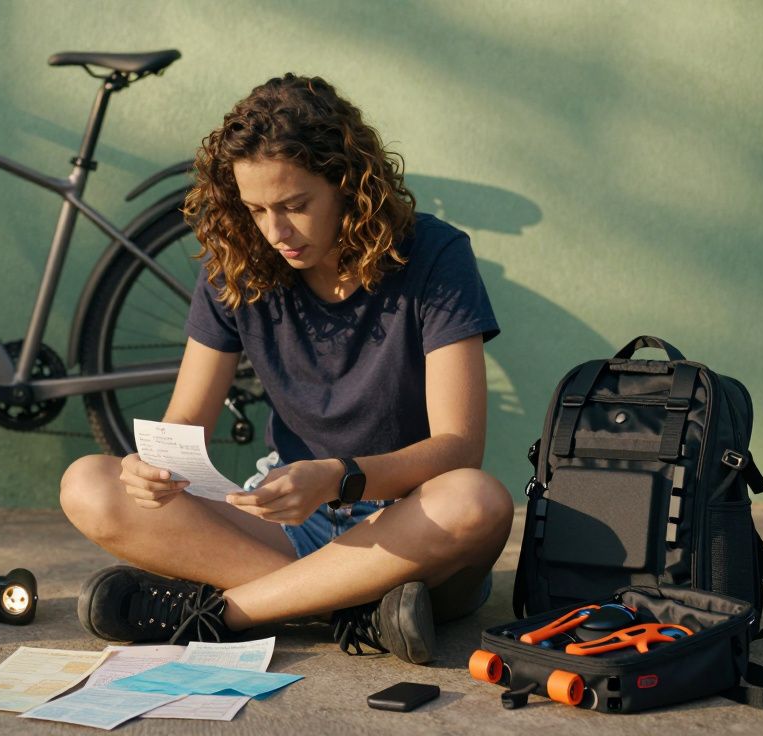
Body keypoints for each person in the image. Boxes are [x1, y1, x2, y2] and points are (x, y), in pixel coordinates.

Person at [59, 73, 513, 664]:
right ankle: (357, 611)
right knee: (91, 485)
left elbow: (459, 448)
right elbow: (186, 418)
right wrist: (153, 467)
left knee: (476, 501)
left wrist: (335, 476)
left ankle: (225, 613)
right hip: (289, 523)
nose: (275, 232)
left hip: (409, 528)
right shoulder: (236, 262)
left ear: (348, 186)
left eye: (296, 206)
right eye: (256, 210)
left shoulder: (435, 255)